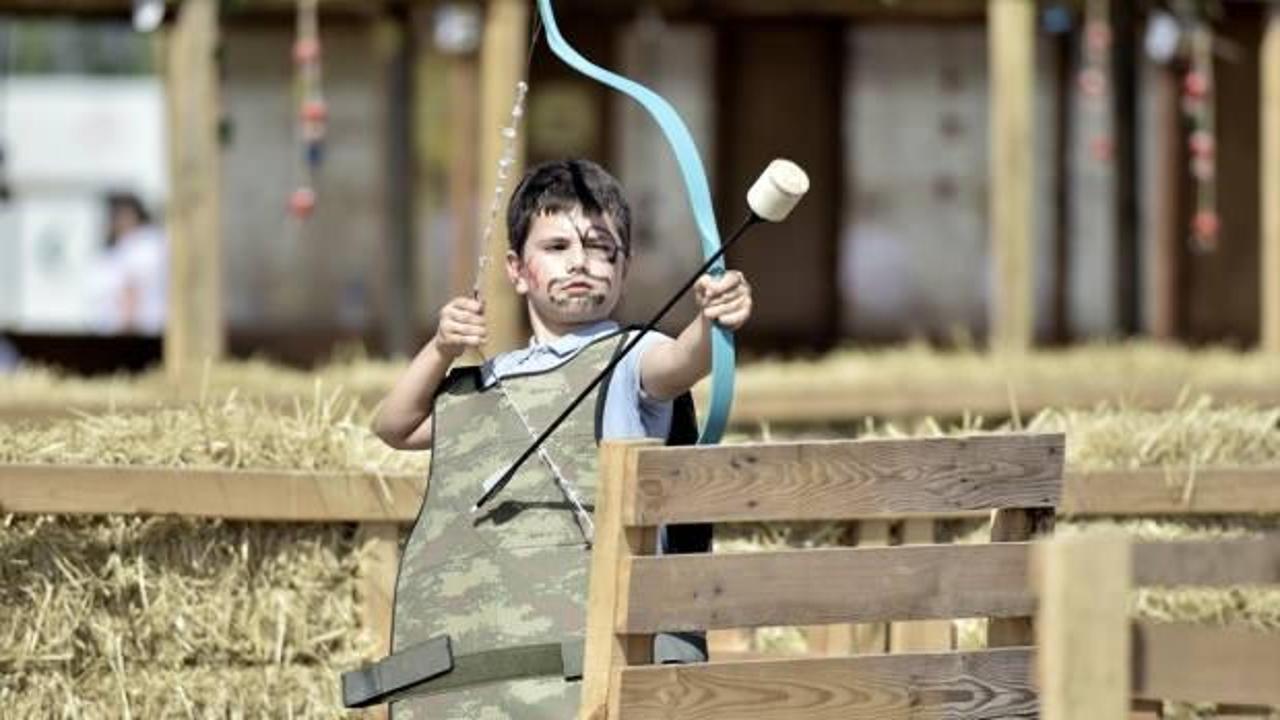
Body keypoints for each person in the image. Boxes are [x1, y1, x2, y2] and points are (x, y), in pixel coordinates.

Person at [361, 159, 752, 718]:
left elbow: (684, 359)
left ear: (625, 268)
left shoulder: (632, 359)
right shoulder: (486, 381)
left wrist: (715, 320)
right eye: (557, 246)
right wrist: (442, 347)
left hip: (584, 691)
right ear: (517, 270)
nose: (581, 262)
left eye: (600, 247)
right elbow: (393, 426)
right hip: (479, 695)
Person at [90, 192, 166, 335]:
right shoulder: (152, 241)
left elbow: (130, 292)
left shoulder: (136, 244)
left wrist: (125, 330)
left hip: (135, 330)